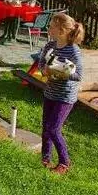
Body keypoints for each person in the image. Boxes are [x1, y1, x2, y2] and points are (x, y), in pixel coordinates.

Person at [36, 13, 84, 175]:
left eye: (51, 27)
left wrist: (61, 72)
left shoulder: (74, 51)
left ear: (62, 31)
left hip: (65, 96)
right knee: (46, 127)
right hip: (50, 92)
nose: (48, 29)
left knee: (54, 128)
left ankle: (64, 162)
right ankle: (45, 158)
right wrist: (45, 70)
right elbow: (41, 63)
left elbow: (78, 75)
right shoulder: (50, 45)